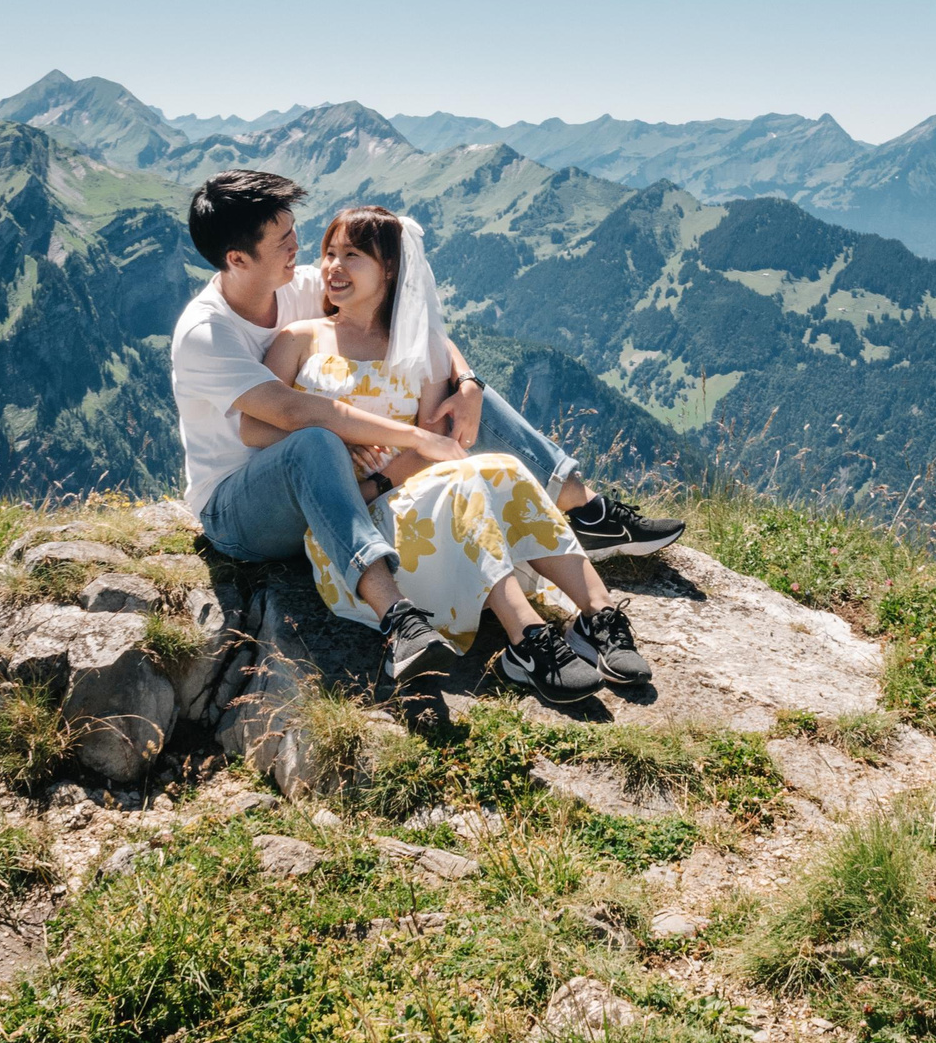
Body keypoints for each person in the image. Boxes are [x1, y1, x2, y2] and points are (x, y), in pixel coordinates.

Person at [168, 170, 683, 685]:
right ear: (239, 259)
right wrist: (410, 441)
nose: (303, 251)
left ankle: (582, 513)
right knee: (319, 440)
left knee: (469, 411)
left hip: (345, 475)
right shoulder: (206, 332)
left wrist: (468, 380)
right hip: (242, 505)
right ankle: (404, 620)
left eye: (299, 235)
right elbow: (286, 415)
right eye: (284, 240)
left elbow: (417, 325)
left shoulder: (298, 281)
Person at [262, 204, 644, 703]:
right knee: (463, 483)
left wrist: (379, 481)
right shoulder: (300, 340)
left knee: (504, 467)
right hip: (349, 531)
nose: (333, 266)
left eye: (352, 255)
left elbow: (434, 445)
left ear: (390, 268)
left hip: (406, 496)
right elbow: (257, 428)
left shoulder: (419, 347)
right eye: (329, 253)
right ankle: (527, 638)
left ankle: (599, 613)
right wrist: (336, 441)